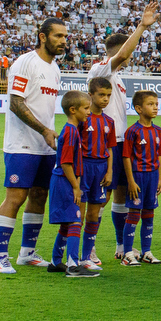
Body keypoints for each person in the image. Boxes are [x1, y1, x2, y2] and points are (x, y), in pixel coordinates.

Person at [0, 17, 68, 275]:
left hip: (45, 146)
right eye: (58, 36)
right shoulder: (25, 63)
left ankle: (27, 253)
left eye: (65, 37)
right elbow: (16, 103)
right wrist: (44, 130)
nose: (63, 41)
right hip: (21, 144)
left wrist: (48, 134)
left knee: (39, 196)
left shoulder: (55, 69)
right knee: (16, 197)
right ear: (42, 36)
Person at [88, 2, 157, 255]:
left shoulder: (117, 78)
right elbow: (124, 55)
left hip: (120, 142)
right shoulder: (100, 70)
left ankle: (120, 246)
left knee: (120, 196)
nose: (130, 57)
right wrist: (141, 26)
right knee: (101, 198)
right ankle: (90, 248)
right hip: (102, 143)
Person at [47, 90, 97, 278]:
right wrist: (76, 187)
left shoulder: (73, 130)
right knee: (76, 220)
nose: (89, 112)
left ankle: (55, 261)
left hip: (63, 180)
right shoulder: (70, 132)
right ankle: (73, 265)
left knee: (67, 224)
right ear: (73, 110)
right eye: (86, 108)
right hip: (64, 181)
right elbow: (66, 163)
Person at [120, 90, 161, 263]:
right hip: (138, 176)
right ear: (138, 108)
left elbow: (158, 157)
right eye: (150, 104)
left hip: (152, 177)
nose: (155, 108)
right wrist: (130, 181)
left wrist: (160, 179)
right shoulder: (133, 131)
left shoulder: (157, 131)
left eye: (156, 104)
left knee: (149, 213)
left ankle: (146, 251)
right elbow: (126, 157)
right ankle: (127, 253)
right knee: (134, 213)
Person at [80, 77, 118, 268]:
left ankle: (87, 254)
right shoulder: (82, 119)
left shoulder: (109, 121)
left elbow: (110, 148)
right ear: (90, 95)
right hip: (84, 168)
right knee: (78, 214)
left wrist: (110, 172)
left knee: (94, 214)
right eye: (101, 95)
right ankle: (71, 253)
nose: (105, 99)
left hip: (101, 169)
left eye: (108, 95)